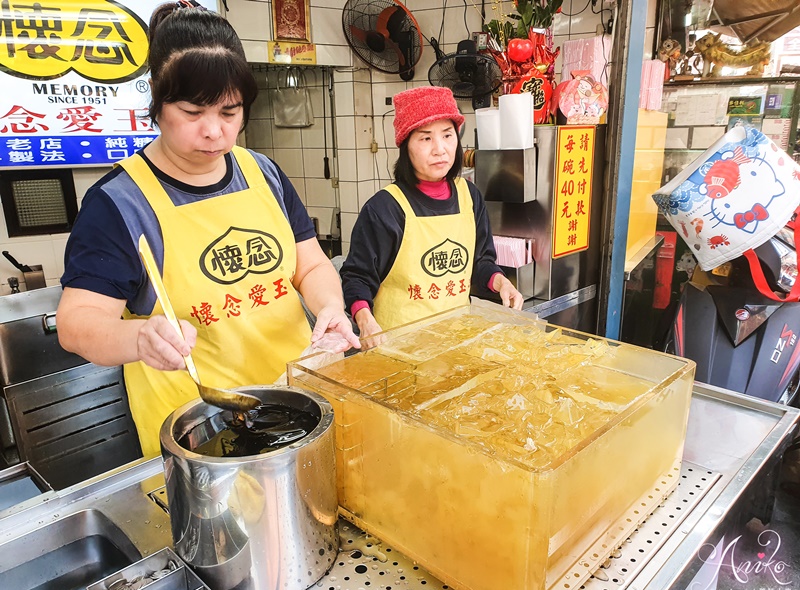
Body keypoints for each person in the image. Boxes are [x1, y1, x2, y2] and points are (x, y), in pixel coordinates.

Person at [56, 2, 359, 457]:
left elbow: (310, 264)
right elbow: (76, 324)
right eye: (194, 112)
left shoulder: (264, 174)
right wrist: (140, 338)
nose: (215, 132)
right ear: (157, 101)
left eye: (230, 112)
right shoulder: (119, 203)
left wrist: (331, 307)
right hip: (202, 435)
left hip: (297, 404)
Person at [340, 86, 523, 339]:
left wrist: (501, 282)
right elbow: (357, 277)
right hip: (398, 348)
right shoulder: (385, 208)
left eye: (447, 135)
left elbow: (481, 261)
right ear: (406, 146)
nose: (440, 149)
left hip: (455, 342)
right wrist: (364, 318)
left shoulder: (469, 196)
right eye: (426, 138)